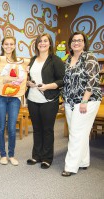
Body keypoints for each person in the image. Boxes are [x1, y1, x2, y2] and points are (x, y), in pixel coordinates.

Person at [62, 31, 101, 177]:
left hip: (87, 101)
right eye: (73, 40)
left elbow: (92, 80)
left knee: (76, 134)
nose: (76, 42)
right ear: (70, 43)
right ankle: (83, 161)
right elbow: (66, 82)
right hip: (70, 101)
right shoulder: (68, 59)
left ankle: (70, 166)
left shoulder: (90, 57)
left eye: (79, 40)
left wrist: (84, 100)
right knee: (79, 132)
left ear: (84, 42)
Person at [26, 33, 65, 169]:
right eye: (40, 41)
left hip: (49, 99)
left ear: (50, 44)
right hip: (32, 99)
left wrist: (47, 86)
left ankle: (47, 158)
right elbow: (29, 77)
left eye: (45, 41)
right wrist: (28, 83)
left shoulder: (55, 60)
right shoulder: (32, 60)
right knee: (37, 129)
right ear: (37, 44)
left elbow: (61, 80)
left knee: (47, 130)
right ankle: (36, 155)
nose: (42, 43)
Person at [0, 36, 29, 166]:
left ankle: (12, 154)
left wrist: (26, 72)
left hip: (15, 98)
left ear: (14, 46)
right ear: (2, 45)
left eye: (11, 44)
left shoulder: (20, 62)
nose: (9, 46)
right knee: (1, 126)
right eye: (6, 44)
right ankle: (3, 154)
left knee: (12, 127)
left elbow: (22, 80)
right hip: (0, 98)